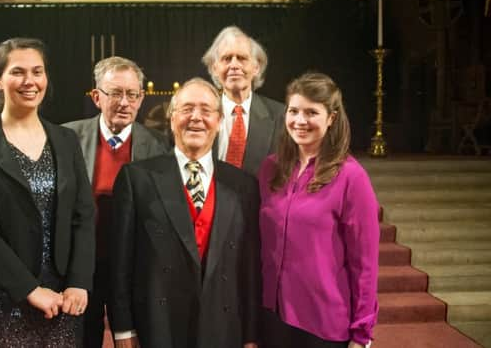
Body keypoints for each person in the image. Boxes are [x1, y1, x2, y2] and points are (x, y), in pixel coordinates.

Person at [0, 38, 95, 347]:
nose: (30, 81)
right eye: (17, 72)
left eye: (37, 71)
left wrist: (79, 282)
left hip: (61, 299)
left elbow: (83, 218)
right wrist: (29, 289)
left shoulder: (66, 139)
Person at [108, 78, 260, 348]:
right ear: (172, 117)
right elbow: (120, 264)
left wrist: (250, 335)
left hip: (223, 329)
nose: (196, 118)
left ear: (219, 120)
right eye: (187, 108)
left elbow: (248, 268)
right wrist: (123, 329)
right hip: (158, 327)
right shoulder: (137, 178)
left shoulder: (243, 185)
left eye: (206, 110)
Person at [257, 72, 379, 348]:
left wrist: (362, 334)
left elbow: (366, 263)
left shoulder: (351, 178)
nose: (300, 121)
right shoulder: (269, 169)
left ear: (332, 118)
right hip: (272, 317)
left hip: (322, 323)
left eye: (311, 112)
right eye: (294, 111)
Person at [63, 56, 168, 348]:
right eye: (115, 93)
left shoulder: (161, 146)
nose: (124, 102)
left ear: (141, 98)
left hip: (134, 267)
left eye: (132, 94)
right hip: (81, 266)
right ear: (97, 97)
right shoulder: (66, 137)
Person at [202, 26, 285, 176]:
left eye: (242, 58)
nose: (234, 65)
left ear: (256, 68)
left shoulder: (282, 117)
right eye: (227, 59)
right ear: (215, 68)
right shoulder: (200, 116)